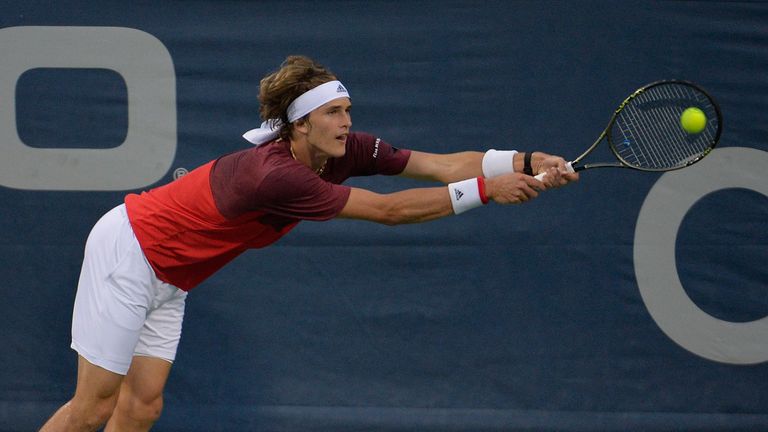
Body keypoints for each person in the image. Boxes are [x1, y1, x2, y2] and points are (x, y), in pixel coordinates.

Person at [40, 55, 578, 432]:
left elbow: (438, 165)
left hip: (172, 276)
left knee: (142, 408)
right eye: (333, 113)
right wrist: (487, 192)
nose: (347, 122)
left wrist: (525, 161)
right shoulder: (275, 174)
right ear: (299, 126)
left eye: (346, 110)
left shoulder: (345, 149)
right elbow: (389, 211)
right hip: (131, 250)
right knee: (93, 409)